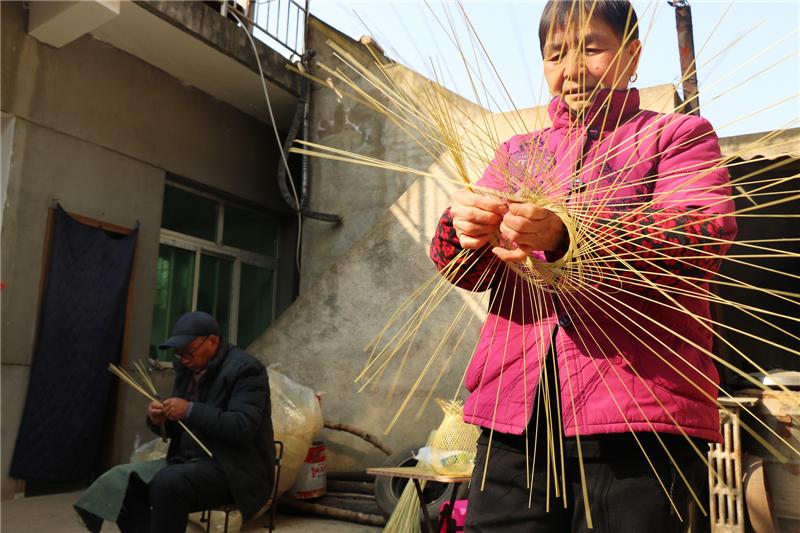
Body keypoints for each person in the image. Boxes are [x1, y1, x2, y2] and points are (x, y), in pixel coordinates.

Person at [429, 1, 737, 532]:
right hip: (513, 421)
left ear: (632, 54)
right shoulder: (519, 154)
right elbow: (469, 272)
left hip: (637, 420)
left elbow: (699, 235)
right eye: (555, 54)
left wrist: (568, 235)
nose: (572, 69)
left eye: (592, 48)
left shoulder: (677, 137)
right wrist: (465, 232)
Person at [75, 311, 275, 533]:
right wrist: (159, 419)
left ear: (213, 341)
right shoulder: (188, 370)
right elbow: (179, 428)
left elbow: (242, 427)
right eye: (179, 354)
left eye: (189, 352)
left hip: (235, 469)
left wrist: (189, 410)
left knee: (169, 484)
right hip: (189, 462)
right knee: (124, 482)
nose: (185, 359)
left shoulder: (246, 370)